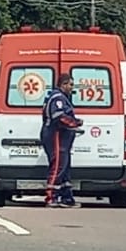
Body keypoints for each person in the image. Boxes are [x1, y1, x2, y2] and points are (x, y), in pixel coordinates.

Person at [41, 72, 83, 207]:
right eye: (71, 85)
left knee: (64, 167)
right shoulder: (58, 98)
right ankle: (51, 197)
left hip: (62, 136)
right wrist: (74, 122)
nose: (72, 88)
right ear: (63, 84)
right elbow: (58, 116)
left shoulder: (61, 97)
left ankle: (66, 197)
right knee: (58, 166)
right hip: (56, 135)